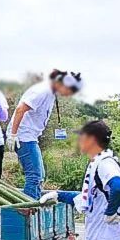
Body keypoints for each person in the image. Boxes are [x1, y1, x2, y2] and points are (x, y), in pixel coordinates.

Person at [6, 69, 83, 199]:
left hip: (31, 136)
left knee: (40, 175)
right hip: (23, 137)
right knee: (35, 176)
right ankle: (28, 209)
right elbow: (20, 109)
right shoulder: (42, 91)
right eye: (69, 90)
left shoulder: (51, 93)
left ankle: (34, 204)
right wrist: (13, 135)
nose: (68, 94)